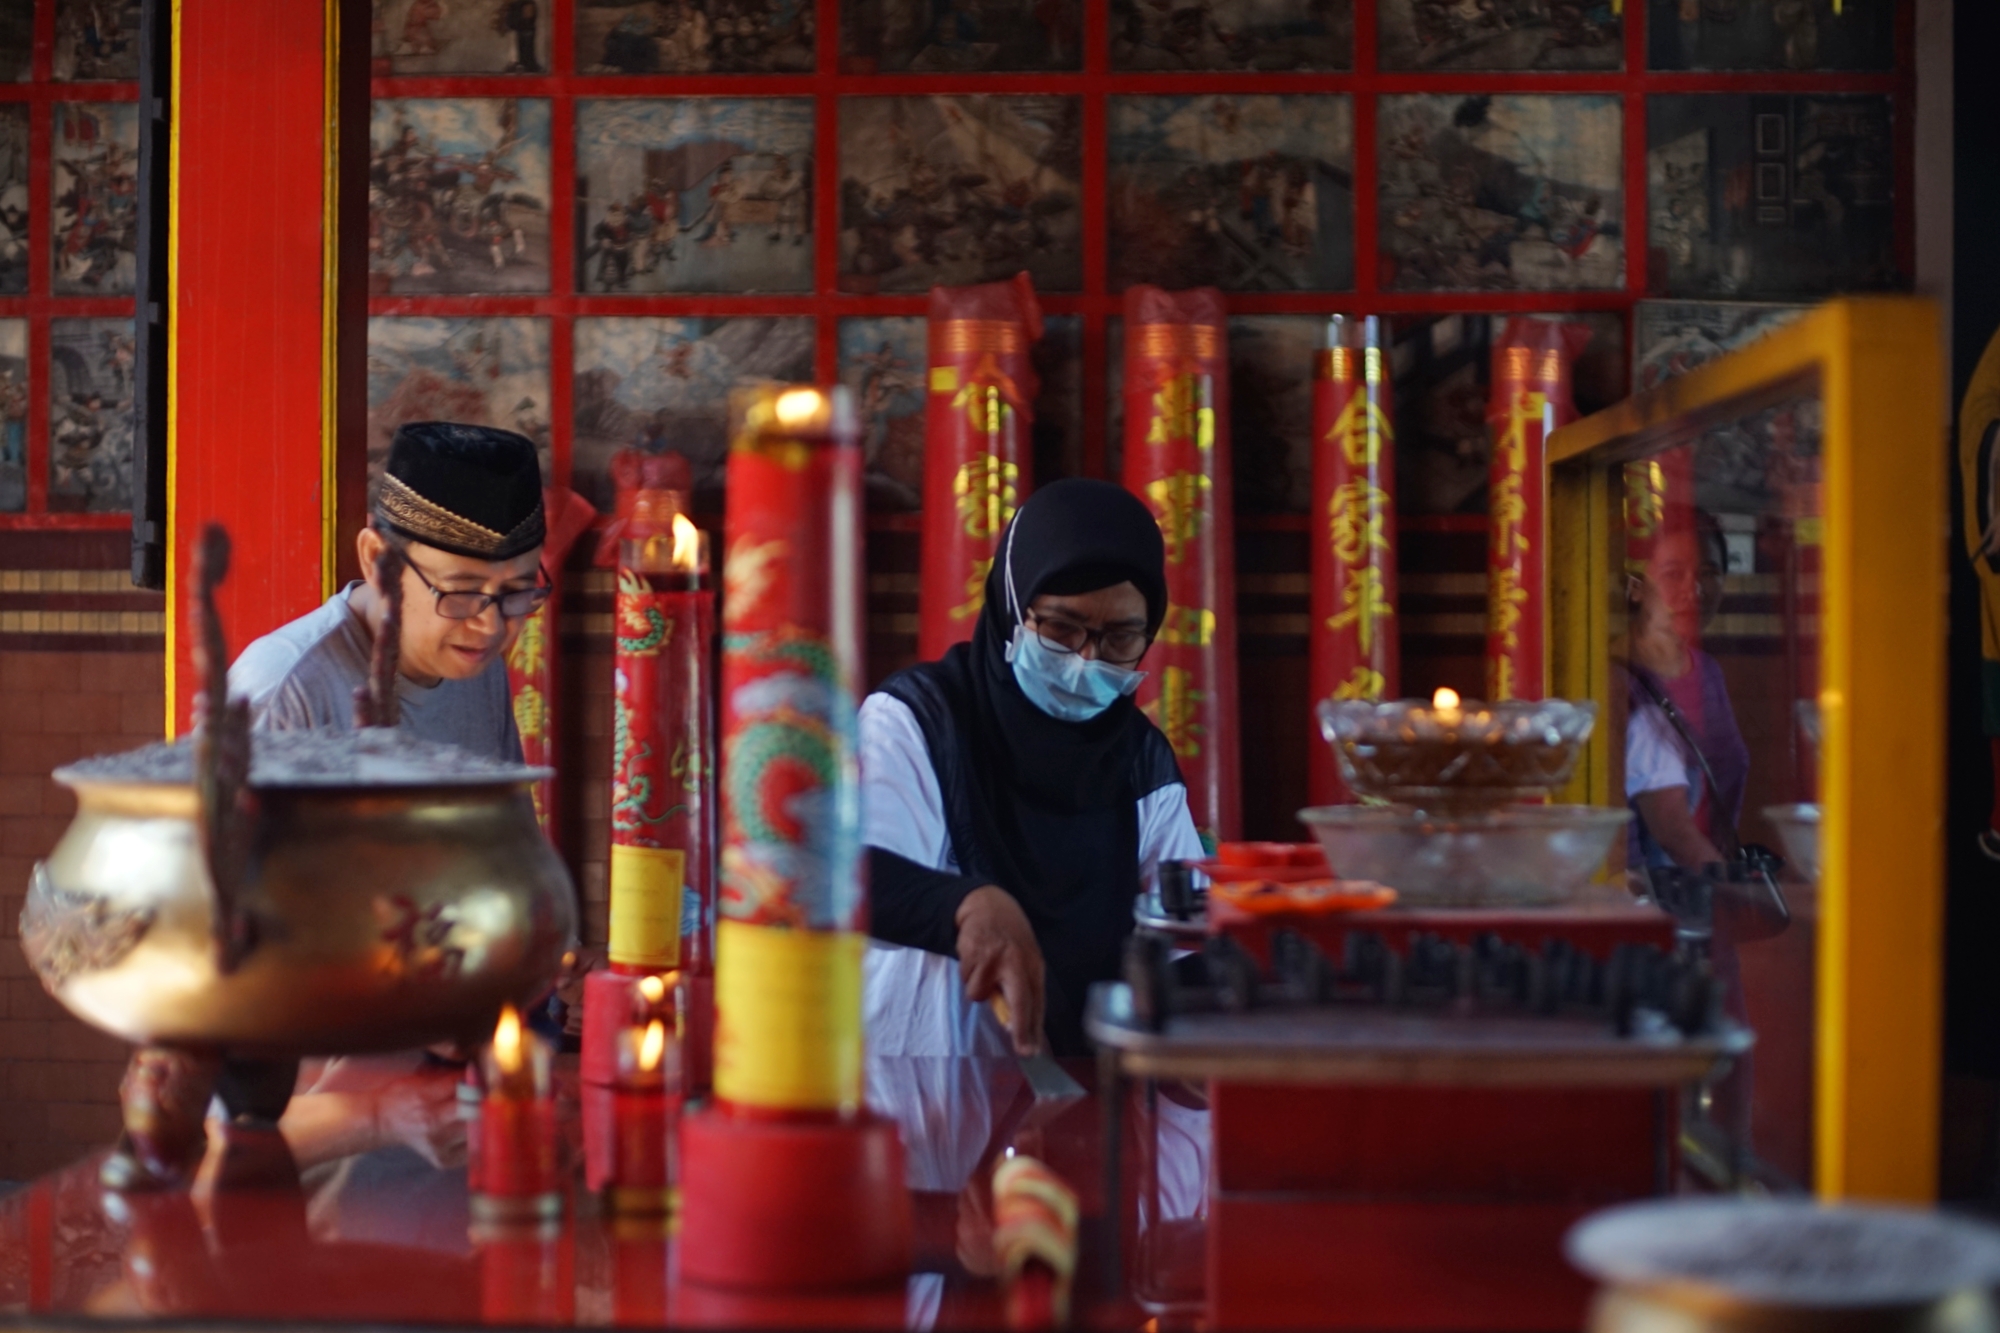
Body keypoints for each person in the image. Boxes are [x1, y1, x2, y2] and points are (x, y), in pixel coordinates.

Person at [228, 421, 550, 1188]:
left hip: (438, 1122)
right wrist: (374, 1110)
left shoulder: (474, 662)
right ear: (378, 560)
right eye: (461, 591)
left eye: (517, 593)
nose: (490, 625)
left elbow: (501, 869)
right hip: (305, 1146)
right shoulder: (285, 693)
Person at [860, 478, 1204, 1058]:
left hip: (1087, 1096)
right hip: (924, 1087)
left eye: (1120, 638)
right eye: (1062, 628)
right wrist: (963, 904)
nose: (1086, 660)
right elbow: (852, 875)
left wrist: (1201, 1026)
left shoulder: (1139, 761)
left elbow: (1184, 931)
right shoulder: (918, 721)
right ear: (1012, 607)